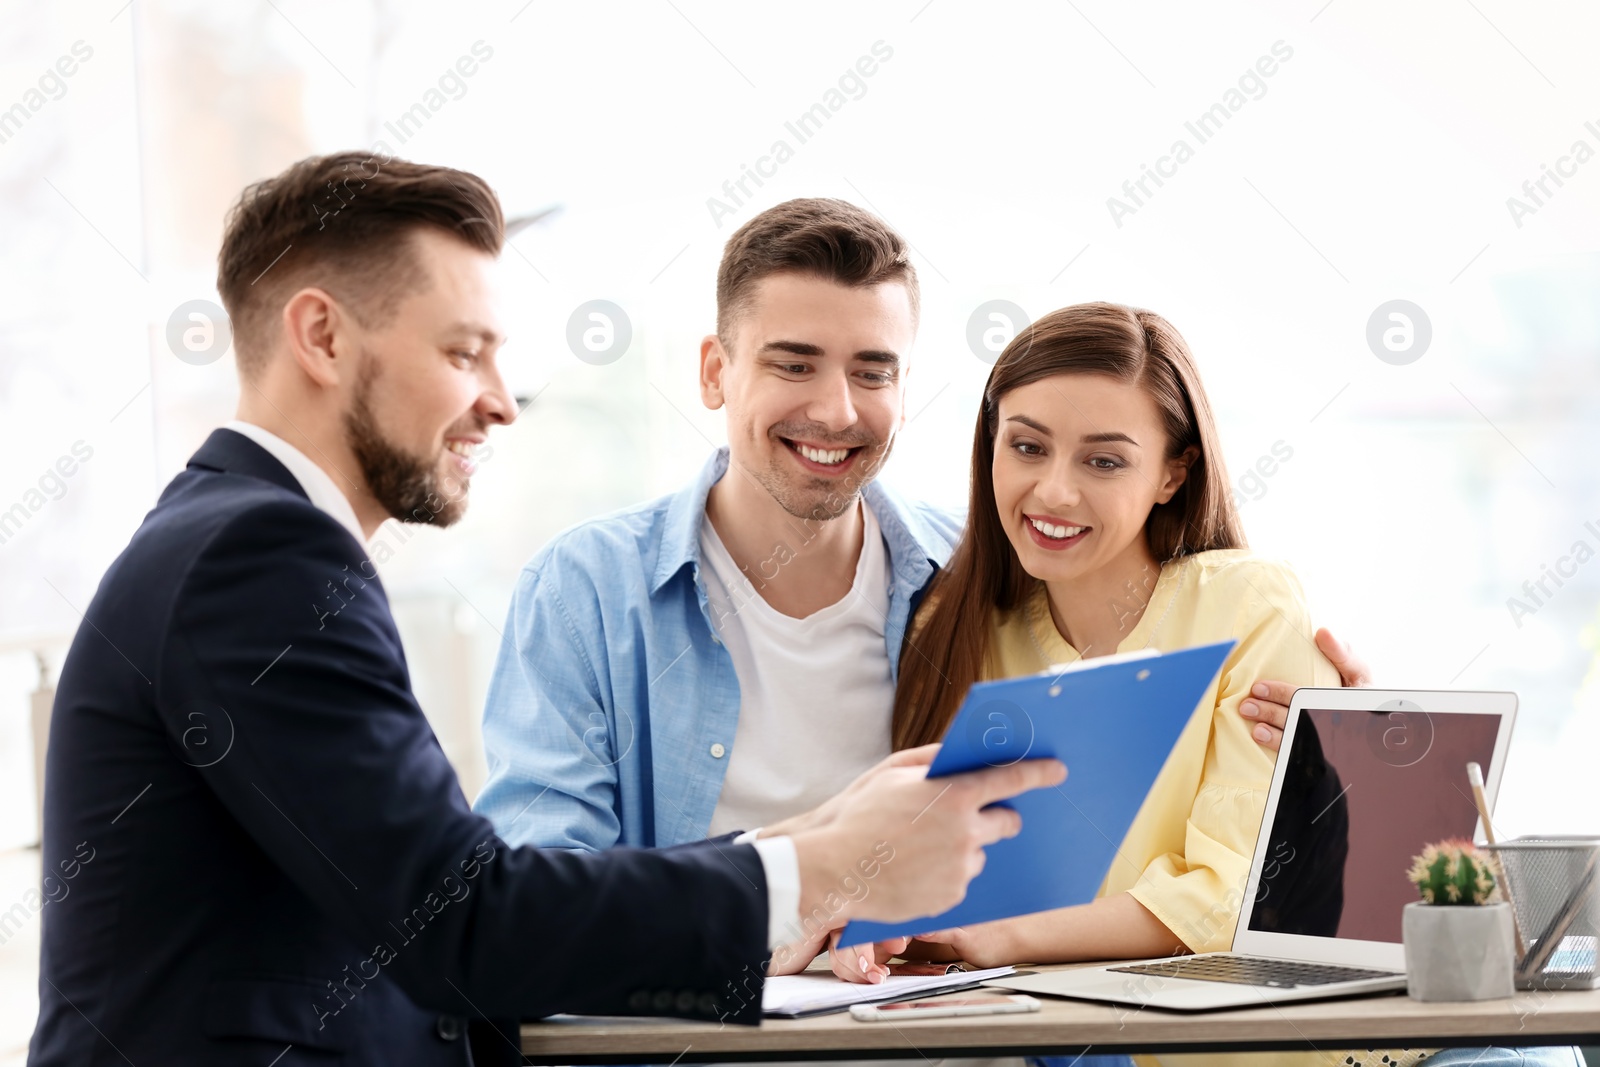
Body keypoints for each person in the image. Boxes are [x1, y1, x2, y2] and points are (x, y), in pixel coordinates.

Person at [28, 154, 1066, 1067]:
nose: (499, 399)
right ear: (321, 337)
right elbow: (467, 920)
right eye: (462, 350)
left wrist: (821, 836)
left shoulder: (241, 540)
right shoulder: (258, 556)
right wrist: (832, 865)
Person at [473, 199, 1370, 977]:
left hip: (952, 1033)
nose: (837, 410)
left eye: (874, 370)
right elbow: (536, 899)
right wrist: (789, 893)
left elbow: (1121, 816)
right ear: (715, 370)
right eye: (793, 363)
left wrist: (1355, 758)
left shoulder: (974, 578)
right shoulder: (587, 591)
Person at [830, 302, 1577, 1067]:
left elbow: (1228, 896)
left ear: (1173, 471)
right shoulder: (956, 636)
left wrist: (996, 934)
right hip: (1097, 1041)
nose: (1053, 491)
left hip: (1314, 1047)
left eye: (1104, 460)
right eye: (1027, 446)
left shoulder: (1247, 604)